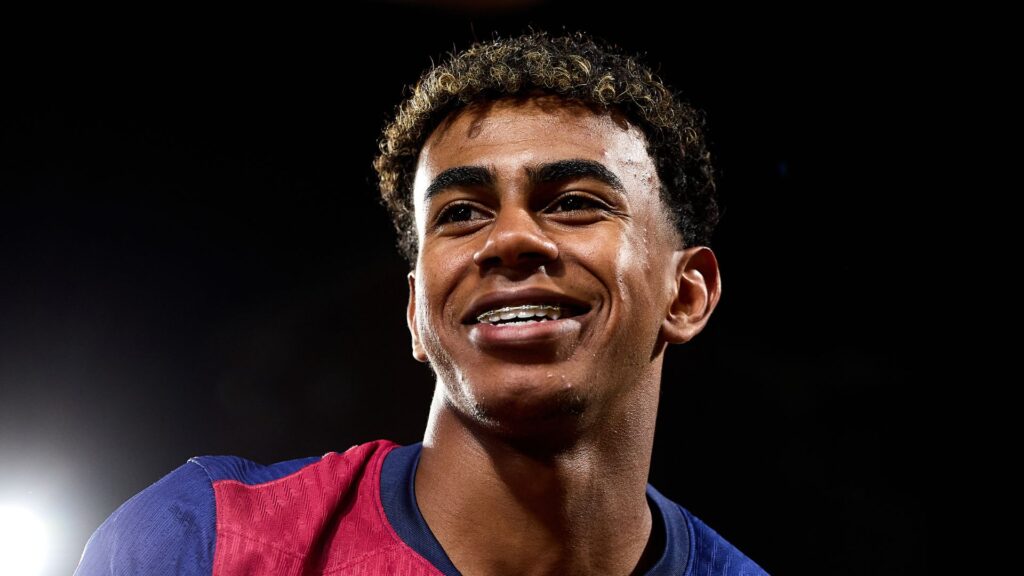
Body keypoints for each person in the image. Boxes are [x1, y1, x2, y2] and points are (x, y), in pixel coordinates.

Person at [75, 31, 768, 575]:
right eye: (461, 213)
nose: (510, 238)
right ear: (415, 311)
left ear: (687, 293)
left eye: (574, 203)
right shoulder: (202, 542)